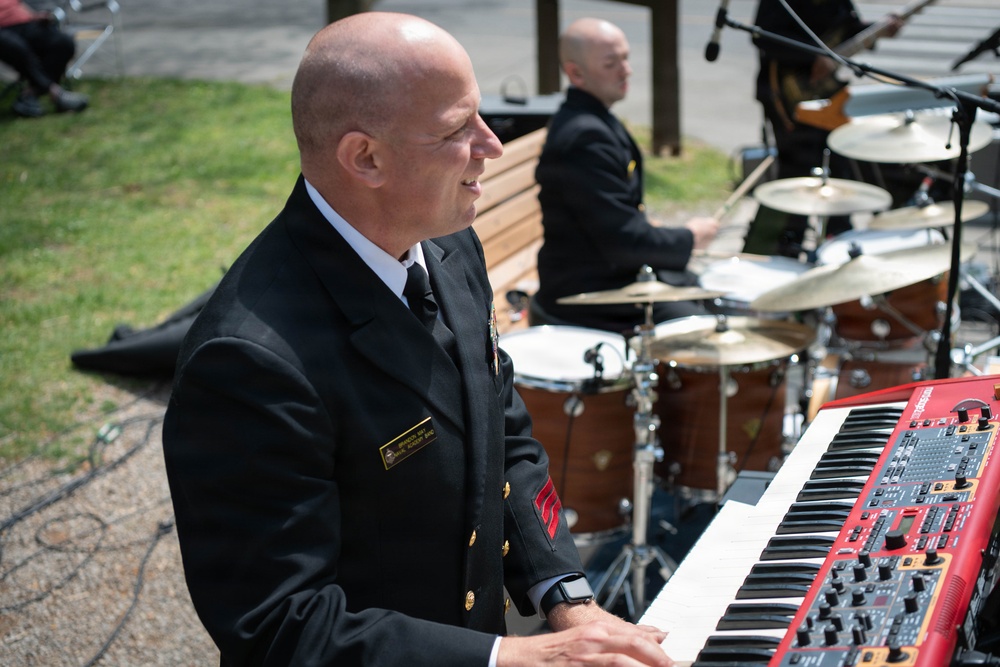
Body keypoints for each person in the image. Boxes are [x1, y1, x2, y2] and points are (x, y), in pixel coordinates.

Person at [161, 11, 674, 667]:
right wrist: (514, 657)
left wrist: (568, 595)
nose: (492, 144)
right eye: (456, 129)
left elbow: (504, 433)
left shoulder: (448, 243)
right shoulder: (247, 361)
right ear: (365, 157)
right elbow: (283, 625)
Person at [532, 17, 718, 336]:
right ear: (576, 73)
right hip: (586, 291)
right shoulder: (585, 139)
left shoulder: (593, 120)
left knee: (713, 302)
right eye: (611, 63)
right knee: (706, 333)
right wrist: (689, 237)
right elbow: (624, 242)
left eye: (626, 58)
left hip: (609, 273)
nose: (626, 70)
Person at [746, 0, 901, 257]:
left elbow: (847, 28)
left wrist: (877, 30)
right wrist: (813, 56)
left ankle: (837, 241)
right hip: (788, 92)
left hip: (828, 92)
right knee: (796, 168)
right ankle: (773, 246)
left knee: (837, 164)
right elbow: (764, 35)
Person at [0, 0, 89, 117]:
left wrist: (34, 16)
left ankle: (30, 94)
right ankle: (55, 93)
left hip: (23, 22)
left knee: (63, 43)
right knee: (18, 48)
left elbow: (15, 4)